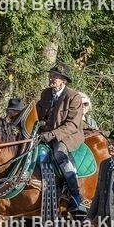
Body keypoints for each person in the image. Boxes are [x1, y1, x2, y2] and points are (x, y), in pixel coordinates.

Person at [36, 61, 86, 210]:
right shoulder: (45, 94)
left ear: (63, 80)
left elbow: (72, 124)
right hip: (46, 134)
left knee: (59, 153)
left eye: (55, 76)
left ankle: (75, 193)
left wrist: (52, 134)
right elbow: (36, 113)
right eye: (51, 75)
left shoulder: (73, 97)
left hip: (68, 135)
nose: (51, 79)